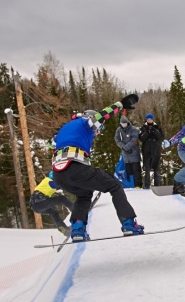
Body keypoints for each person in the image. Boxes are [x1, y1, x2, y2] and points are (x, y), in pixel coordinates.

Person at [52, 94, 144, 242]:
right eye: (98, 130)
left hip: (59, 174)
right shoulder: (85, 123)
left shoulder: (65, 128)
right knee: (114, 186)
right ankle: (129, 224)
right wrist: (120, 104)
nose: (97, 133)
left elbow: (53, 142)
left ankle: (77, 229)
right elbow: (101, 116)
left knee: (84, 194)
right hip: (75, 167)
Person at [29, 171, 73, 236]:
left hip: (35, 206)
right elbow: (59, 185)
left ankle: (63, 228)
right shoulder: (49, 181)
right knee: (62, 199)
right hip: (39, 202)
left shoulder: (48, 182)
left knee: (54, 212)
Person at [115, 115, 143, 189]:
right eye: (122, 124)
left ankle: (138, 185)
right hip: (125, 155)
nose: (124, 125)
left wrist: (127, 147)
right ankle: (131, 183)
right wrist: (123, 147)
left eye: (125, 124)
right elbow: (117, 139)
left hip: (134, 153)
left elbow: (134, 139)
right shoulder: (119, 130)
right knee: (128, 170)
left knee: (136, 170)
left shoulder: (133, 129)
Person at [139, 113, 164, 189]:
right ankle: (147, 185)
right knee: (147, 168)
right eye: (148, 119)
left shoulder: (157, 127)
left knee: (156, 168)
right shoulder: (143, 128)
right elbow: (141, 138)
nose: (149, 120)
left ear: (153, 119)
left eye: (150, 119)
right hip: (147, 150)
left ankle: (157, 185)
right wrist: (147, 132)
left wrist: (154, 131)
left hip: (156, 150)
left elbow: (161, 137)